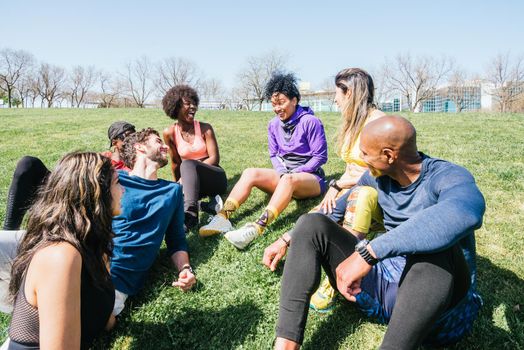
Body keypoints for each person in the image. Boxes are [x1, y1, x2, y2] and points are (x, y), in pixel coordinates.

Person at [263, 116, 485, 349]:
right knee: (311, 224)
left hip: (439, 313)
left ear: (389, 155)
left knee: (436, 250)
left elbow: (465, 212)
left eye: (366, 153)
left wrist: (370, 252)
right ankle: (286, 345)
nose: (361, 159)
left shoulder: (447, 176)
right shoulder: (376, 177)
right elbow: (333, 213)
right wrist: (286, 238)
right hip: (383, 291)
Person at [3, 152, 120, 349]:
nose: (124, 190)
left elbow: (102, 312)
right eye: (117, 183)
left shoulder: (94, 245)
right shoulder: (60, 256)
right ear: (98, 192)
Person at [200, 72, 328, 250]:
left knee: (289, 180)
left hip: (311, 179)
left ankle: (257, 227)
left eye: (281, 102)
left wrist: (295, 173)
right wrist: (282, 172)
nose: (277, 108)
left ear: (294, 100)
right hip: (286, 177)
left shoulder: (311, 122)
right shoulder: (273, 124)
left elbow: (320, 157)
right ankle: (222, 218)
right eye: (274, 104)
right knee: (250, 172)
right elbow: (274, 154)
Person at [110, 128, 196, 315]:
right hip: (89, 262)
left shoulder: (172, 191)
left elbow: (176, 240)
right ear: (139, 147)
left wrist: (185, 269)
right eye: (158, 141)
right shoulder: (115, 180)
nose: (165, 146)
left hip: (120, 278)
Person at [2, 121, 135, 231]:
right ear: (114, 142)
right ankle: (9, 231)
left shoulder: (138, 165)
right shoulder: (101, 158)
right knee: (28, 163)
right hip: (72, 193)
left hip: (93, 205)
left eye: (135, 136)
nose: (132, 140)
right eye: (127, 136)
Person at [162, 85, 227, 231]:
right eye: (187, 103)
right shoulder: (169, 133)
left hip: (214, 178)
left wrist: (190, 168)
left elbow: (215, 158)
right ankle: (205, 206)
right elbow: (175, 163)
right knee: (171, 192)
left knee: (188, 165)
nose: (193, 107)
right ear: (175, 106)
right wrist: (178, 187)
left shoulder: (205, 128)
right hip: (193, 182)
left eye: (194, 103)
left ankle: (191, 216)